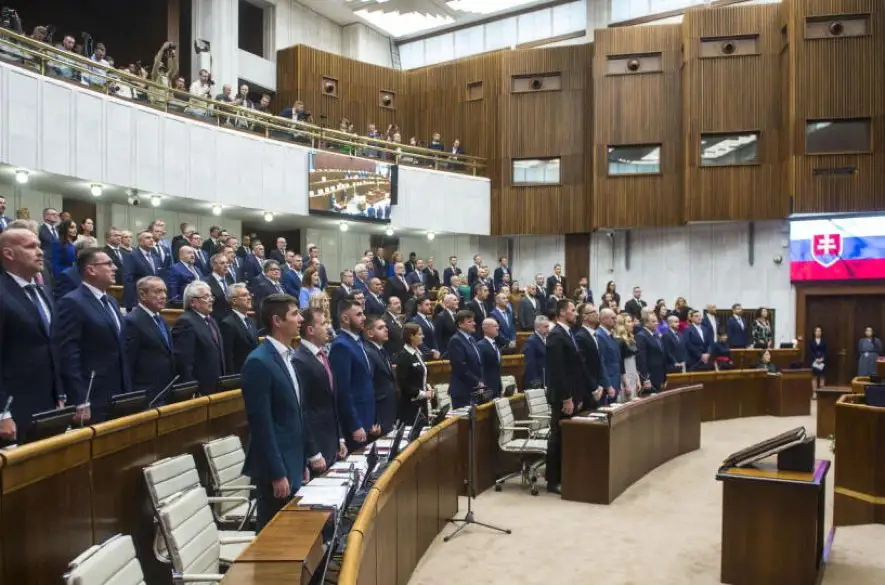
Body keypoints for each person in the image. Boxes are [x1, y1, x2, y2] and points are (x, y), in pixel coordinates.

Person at [241, 294, 324, 531]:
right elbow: (261, 424)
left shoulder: (288, 356)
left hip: (294, 460)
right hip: (275, 468)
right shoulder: (259, 361)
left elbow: (298, 412)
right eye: (294, 314)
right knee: (273, 536)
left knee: (292, 532)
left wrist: (308, 456)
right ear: (277, 321)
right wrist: (277, 473)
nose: (300, 319)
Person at [0, 228, 64, 443]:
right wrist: (2, 413)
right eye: (30, 247)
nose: (40, 252)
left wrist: (60, 394)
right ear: (8, 254)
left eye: (39, 246)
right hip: (14, 407)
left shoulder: (43, 291)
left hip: (48, 403)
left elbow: (52, 347)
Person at [55, 248, 130, 423]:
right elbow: (69, 354)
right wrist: (80, 399)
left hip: (119, 393)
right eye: (108, 264)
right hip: (93, 396)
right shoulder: (72, 302)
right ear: (91, 269)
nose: (115, 268)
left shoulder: (111, 301)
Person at [545, 299, 601, 495]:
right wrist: (566, 398)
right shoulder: (555, 336)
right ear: (561, 313)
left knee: (568, 437)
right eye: (571, 310)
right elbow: (557, 371)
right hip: (562, 396)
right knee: (558, 437)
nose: (575, 313)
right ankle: (552, 480)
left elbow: (578, 366)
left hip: (574, 393)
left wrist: (592, 387)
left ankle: (565, 475)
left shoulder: (568, 333)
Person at [292, 307, 346, 474]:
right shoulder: (300, 360)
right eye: (323, 323)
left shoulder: (321, 355)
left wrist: (340, 438)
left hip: (331, 440)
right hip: (317, 444)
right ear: (310, 330)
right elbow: (304, 410)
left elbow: (331, 402)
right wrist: (313, 453)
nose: (328, 327)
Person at [329, 298, 376, 451]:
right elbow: (343, 390)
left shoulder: (358, 342)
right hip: (356, 423)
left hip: (367, 418)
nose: (364, 318)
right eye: (359, 314)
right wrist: (354, 424)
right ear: (345, 318)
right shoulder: (341, 345)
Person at [123, 276, 176, 405]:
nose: (163, 296)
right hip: (145, 395)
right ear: (142, 294)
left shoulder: (161, 319)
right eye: (158, 291)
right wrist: (131, 397)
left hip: (165, 391)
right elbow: (128, 363)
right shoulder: (132, 321)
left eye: (165, 291)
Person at [171, 281, 226, 396]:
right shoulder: (185, 322)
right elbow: (184, 362)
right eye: (206, 297)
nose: (211, 300)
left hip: (217, 385)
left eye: (211, 296)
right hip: (199, 390)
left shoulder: (211, 320)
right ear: (192, 302)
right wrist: (191, 390)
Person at [395, 323, 435, 423]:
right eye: (420, 334)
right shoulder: (404, 356)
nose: (423, 336)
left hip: (422, 402)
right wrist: (424, 394)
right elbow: (404, 384)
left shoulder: (418, 353)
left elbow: (423, 375)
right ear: (411, 336)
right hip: (410, 405)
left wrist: (429, 388)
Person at [364, 316, 397, 434]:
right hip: (379, 413)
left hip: (389, 410)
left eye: (385, 326)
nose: (386, 329)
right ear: (370, 333)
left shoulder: (381, 350)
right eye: (380, 327)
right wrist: (374, 419)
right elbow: (369, 387)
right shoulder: (368, 352)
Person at [446, 310, 484, 408]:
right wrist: (477, 382)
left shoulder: (472, 339)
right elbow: (461, 367)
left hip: (475, 389)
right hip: (462, 391)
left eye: (473, 321)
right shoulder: (456, 341)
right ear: (460, 324)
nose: (474, 324)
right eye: (470, 322)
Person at [219, 284, 259, 375]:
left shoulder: (252, 321)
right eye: (244, 295)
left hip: (255, 371)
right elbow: (228, 356)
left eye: (249, 295)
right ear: (234, 301)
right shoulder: (228, 323)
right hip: (240, 374)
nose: (249, 298)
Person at [636, 313, 666, 394]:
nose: (657, 323)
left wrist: (664, 377)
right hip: (650, 376)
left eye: (657, 321)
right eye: (653, 321)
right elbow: (641, 359)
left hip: (658, 375)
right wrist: (645, 378)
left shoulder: (656, 335)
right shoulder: (641, 336)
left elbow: (661, 355)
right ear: (646, 323)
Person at [614, 313, 640, 401]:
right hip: (625, 375)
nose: (632, 324)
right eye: (628, 322)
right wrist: (626, 384)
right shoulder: (619, 341)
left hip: (633, 373)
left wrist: (638, 379)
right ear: (622, 324)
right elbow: (621, 364)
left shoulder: (631, 338)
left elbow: (634, 361)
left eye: (632, 321)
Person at [477, 318, 503, 398]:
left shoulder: (495, 344)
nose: (497, 328)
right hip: (487, 387)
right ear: (486, 329)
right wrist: (481, 384)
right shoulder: (481, 345)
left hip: (497, 386)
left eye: (497, 326)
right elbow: (480, 366)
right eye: (495, 326)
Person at [522, 315, 548, 389]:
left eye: (548, 326)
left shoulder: (546, 339)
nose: (548, 329)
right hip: (537, 382)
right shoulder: (531, 341)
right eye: (545, 327)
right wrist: (536, 383)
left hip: (546, 379)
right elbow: (530, 364)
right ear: (537, 328)